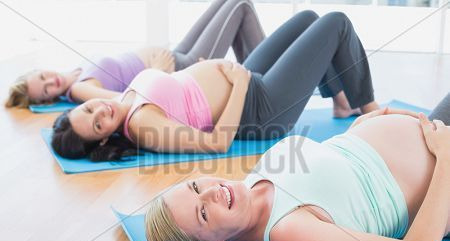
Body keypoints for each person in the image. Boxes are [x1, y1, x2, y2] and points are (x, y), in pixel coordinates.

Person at [144, 96, 450, 241]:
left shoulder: (253, 181)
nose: (210, 193)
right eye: (203, 213)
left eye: (195, 186)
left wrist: (360, 128)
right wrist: (445, 157)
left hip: (431, 131)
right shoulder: (291, 235)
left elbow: (335, 173)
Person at [51, 11, 380, 161]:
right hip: (260, 109)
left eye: (89, 107)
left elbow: (177, 95)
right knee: (336, 23)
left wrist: (195, 74)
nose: (100, 109)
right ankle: (372, 114)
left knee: (307, 18)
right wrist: (237, 84)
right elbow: (217, 143)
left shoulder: (121, 99)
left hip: (247, 80)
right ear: (106, 137)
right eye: (98, 123)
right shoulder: (141, 125)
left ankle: (342, 102)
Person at [5, 0, 264, 108]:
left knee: (232, 3)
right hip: (177, 67)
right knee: (240, 6)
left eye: (43, 77)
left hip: (174, 54)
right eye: (47, 90)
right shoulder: (80, 89)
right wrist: (160, 74)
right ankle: (266, 78)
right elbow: (127, 101)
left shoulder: (76, 70)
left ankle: (261, 76)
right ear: (49, 100)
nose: (52, 82)